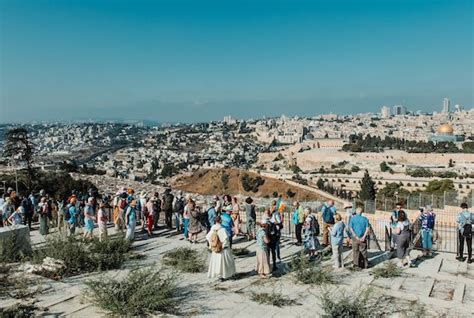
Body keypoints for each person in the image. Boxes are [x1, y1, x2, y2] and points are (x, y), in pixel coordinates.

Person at [206, 215, 236, 280]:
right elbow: (226, 239)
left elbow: (208, 237)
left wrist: (212, 245)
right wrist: (224, 246)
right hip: (223, 249)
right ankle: (226, 275)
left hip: (215, 249)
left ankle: (219, 276)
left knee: (216, 263)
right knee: (226, 262)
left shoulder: (212, 228)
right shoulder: (223, 229)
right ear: (220, 221)